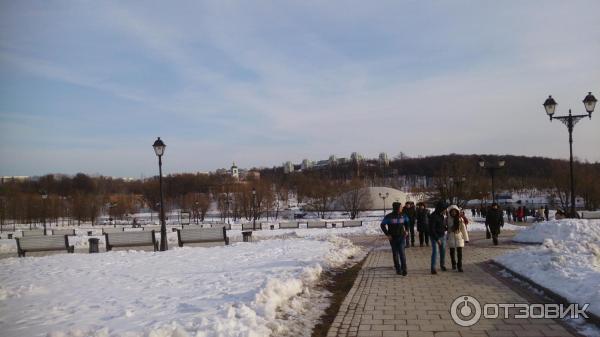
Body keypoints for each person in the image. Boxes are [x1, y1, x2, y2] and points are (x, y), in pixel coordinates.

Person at [381, 202, 410, 276]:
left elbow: (407, 223)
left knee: (402, 253)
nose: (402, 208)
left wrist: (407, 230)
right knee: (395, 254)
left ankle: (404, 269)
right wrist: (388, 234)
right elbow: (382, 225)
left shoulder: (403, 215)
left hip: (401, 237)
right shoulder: (389, 216)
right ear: (397, 208)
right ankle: (398, 269)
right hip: (392, 238)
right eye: (400, 207)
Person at [446, 205, 469, 272]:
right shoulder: (447, 219)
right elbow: (443, 226)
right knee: (452, 252)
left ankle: (460, 266)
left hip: (459, 237)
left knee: (460, 253)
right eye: (452, 212)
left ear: (457, 212)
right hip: (451, 237)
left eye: (455, 212)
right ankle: (453, 263)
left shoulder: (460, 219)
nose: (454, 213)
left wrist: (466, 238)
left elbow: (463, 229)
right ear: (450, 212)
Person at [428, 201, 448, 274]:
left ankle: (442, 265)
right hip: (434, 237)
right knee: (435, 252)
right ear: (441, 208)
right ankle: (433, 268)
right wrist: (437, 239)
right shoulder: (433, 216)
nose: (446, 210)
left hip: (442, 236)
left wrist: (446, 228)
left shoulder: (441, 216)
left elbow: (441, 226)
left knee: (443, 252)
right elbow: (432, 229)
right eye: (445, 209)